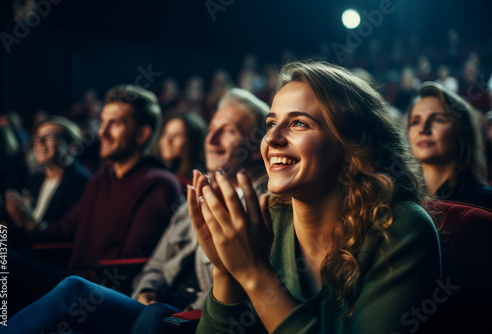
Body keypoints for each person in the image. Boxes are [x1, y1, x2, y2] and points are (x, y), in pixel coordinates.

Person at [188, 61, 441, 333]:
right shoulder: (265, 222)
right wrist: (226, 271)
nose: (271, 137)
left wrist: (254, 274)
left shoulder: (401, 230)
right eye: (271, 123)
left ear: (352, 144)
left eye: (298, 123)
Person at [0, 88, 270, 334]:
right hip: (149, 302)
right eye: (212, 129)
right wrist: (147, 290)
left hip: (191, 315)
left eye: (229, 131)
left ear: (257, 149)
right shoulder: (187, 197)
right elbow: (155, 265)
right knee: (2, 256)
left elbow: (238, 290)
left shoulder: (262, 207)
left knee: (74, 288)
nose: (212, 140)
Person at [3, 85, 184, 316]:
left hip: (101, 293)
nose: (103, 132)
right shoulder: (102, 176)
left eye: (115, 123)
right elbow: (61, 233)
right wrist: (12, 228)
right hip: (72, 281)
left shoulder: (159, 183)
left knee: (1, 261)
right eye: (103, 122)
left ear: (142, 135)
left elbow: (132, 265)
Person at [0, 117, 92, 240]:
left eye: (50, 137)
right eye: (37, 137)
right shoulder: (35, 180)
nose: (39, 142)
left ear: (73, 147)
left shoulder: (81, 182)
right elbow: (19, 232)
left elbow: (67, 232)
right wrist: (2, 219)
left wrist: (29, 221)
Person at [408, 81, 492, 209]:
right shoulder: (400, 199)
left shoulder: (485, 202)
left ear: (461, 132)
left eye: (438, 119)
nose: (423, 129)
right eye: (415, 122)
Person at [153, 111, 207, 185]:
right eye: (165, 133)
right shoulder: (154, 174)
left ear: (192, 142)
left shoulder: (196, 183)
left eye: (177, 135)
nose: (168, 140)